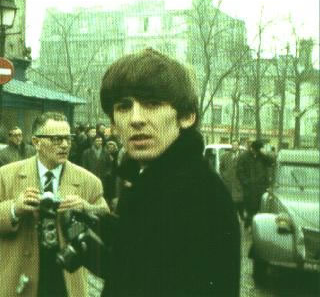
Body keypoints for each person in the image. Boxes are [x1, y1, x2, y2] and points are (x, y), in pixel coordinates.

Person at [98, 48, 240, 296]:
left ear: (186, 116)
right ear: (112, 124)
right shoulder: (151, 184)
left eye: (152, 104)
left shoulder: (196, 196)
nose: (136, 119)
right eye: (123, 106)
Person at [0, 112, 109, 297]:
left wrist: (87, 209)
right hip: (19, 278)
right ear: (37, 142)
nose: (64, 145)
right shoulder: (6, 175)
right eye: (56, 139)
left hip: (66, 279)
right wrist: (14, 208)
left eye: (67, 138)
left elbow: (106, 224)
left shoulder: (89, 181)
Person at [236, 139, 274, 229]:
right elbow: (239, 172)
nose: (259, 151)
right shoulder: (244, 157)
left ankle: (257, 226)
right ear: (253, 148)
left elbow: (271, 162)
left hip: (262, 188)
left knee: (260, 208)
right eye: (258, 149)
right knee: (250, 209)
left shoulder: (262, 156)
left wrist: (264, 154)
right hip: (249, 189)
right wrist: (246, 182)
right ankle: (249, 226)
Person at [220, 139, 245, 221]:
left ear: (238, 146)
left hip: (239, 183)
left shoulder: (243, 157)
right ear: (231, 146)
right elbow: (221, 168)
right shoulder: (225, 156)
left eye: (236, 145)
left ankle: (241, 217)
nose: (234, 146)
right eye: (233, 145)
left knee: (239, 201)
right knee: (229, 200)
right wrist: (224, 176)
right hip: (228, 183)